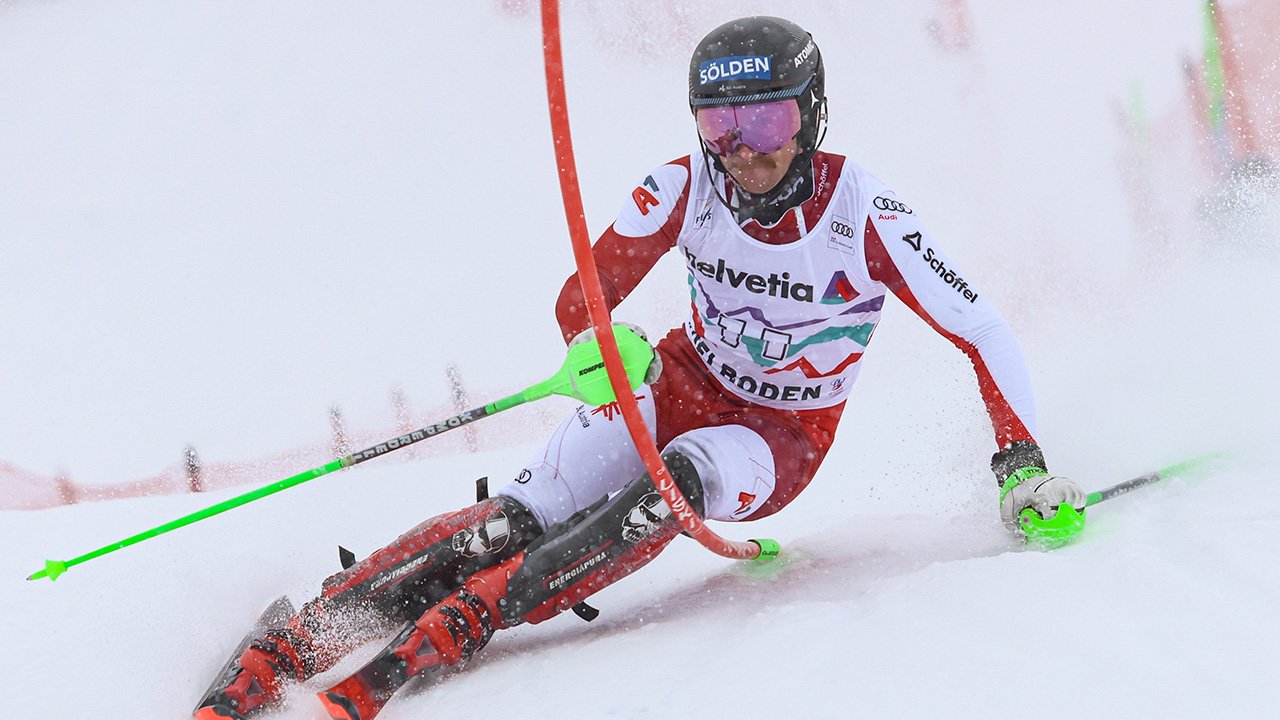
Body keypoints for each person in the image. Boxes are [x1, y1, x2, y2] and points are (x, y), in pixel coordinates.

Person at [194, 16, 1087, 720]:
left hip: (775, 438)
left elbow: (984, 329)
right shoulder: (686, 185)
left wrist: (1021, 463)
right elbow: (582, 295)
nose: (742, 151)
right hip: (671, 379)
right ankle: (316, 630)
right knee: (518, 518)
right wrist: (598, 344)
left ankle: (461, 626)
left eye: (766, 120)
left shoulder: (865, 213)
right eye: (720, 125)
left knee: (678, 486)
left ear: (811, 115)